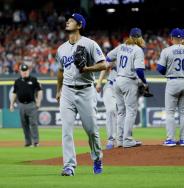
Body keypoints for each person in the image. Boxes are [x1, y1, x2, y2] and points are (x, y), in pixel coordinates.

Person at [56, 13, 107, 176]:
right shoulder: (61, 48)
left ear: (79, 25)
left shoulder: (90, 44)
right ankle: (69, 166)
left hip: (86, 90)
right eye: (67, 20)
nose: (67, 22)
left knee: (91, 130)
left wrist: (87, 69)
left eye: (71, 21)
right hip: (68, 91)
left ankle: (97, 158)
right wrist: (58, 90)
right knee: (66, 130)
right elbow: (60, 70)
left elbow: (103, 64)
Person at [106, 27, 148, 148]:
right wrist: (145, 82)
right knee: (131, 111)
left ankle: (119, 140)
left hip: (117, 81)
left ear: (130, 37)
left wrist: (117, 63)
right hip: (129, 81)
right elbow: (139, 70)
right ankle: (127, 139)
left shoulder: (121, 46)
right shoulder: (138, 50)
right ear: (139, 37)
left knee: (121, 112)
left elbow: (108, 57)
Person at [157, 28, 184, 147]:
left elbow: (160, 69)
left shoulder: (167, 50)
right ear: (181, 38)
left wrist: (169, 71)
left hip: (173, 81)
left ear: (172, 38)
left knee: (170, 112)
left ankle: (170, 140)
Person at [10, 63, 43, 147]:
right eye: (23, 71)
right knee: (24, 124)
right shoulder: (17, 81)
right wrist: (11, 104)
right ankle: (28, 142)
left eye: (26, 70)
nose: (24, 72)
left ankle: (35, 142)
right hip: (21, 105)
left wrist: (38, 102)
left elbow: (40, 90)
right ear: (20, 72)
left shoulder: (34, 79)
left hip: (31, 105)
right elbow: (14, 93)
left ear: (29, 70)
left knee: (33, 123)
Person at [96, 68, 117, 149]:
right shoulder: (114, 55)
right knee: (111, 110)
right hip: (111, 86)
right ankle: (111, 139)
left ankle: (124, 138)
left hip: (124, 87)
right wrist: (99, 82)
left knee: (123, 113)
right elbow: (105, 66)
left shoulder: (133, 56)